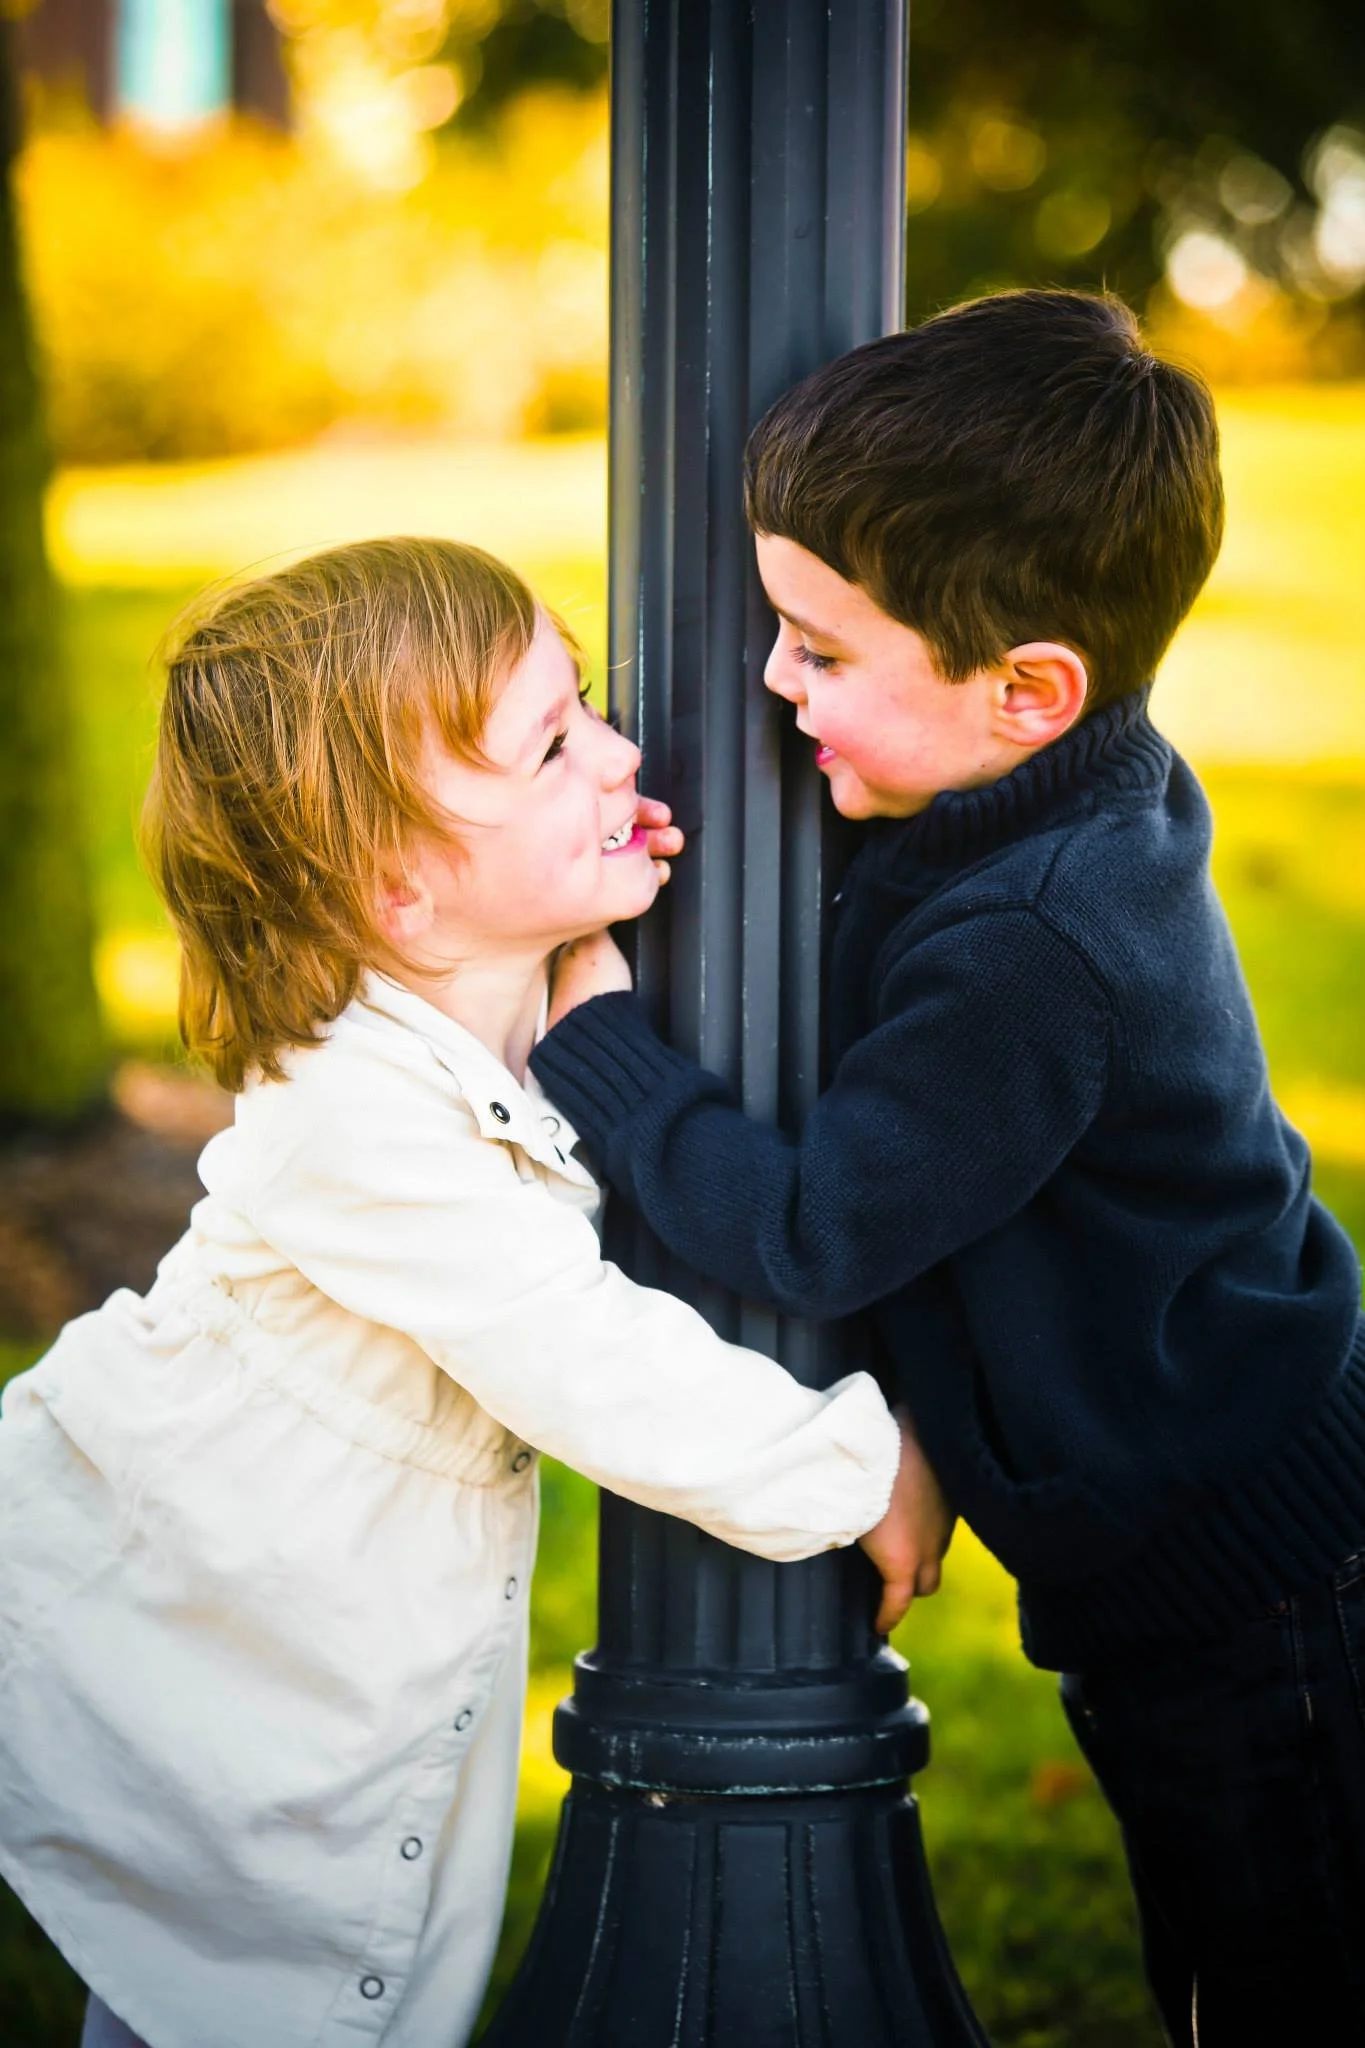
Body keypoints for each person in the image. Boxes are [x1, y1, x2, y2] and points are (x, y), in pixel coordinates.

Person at [529, 290, 1365, 2047]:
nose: (774, 683)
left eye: (822, 654)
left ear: (1026, 692)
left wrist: (597, 1037)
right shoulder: (1034, 801)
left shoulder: (1036, 943)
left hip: (1258, 1594)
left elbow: (816, 1225)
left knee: (1278, 1975)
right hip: (1201, 1539)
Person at [0, 537, 923, 2048]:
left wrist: (595, 974)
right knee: (222, 1984)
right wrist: (862, 1468)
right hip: (165, 1637)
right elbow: (580, 1353)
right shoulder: (345, 1114)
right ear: (400, 894)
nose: (620, 752)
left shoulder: (484, 1014)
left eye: (586, 705)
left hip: (305, 1657)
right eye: (554, 747)